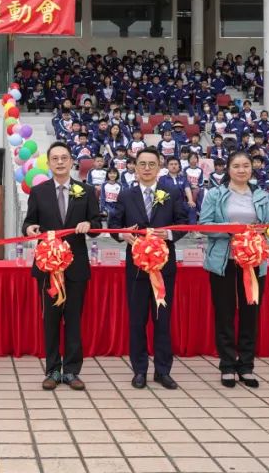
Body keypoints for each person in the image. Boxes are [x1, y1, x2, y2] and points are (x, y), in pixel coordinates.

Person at [22, 142, 101, 391]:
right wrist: (29, 229)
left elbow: (97, 224)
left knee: (74, 320)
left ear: (71, 162)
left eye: (64, 158)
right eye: (54, 158)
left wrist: (90, 225)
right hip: (48, 267)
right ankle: (53, 370)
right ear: (48, 162)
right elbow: (29, 223)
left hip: (76, 267)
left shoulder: (86, 190)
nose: (59, 162)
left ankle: (72, 371)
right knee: (52, 320)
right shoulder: (39, 191)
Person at [109, 147, 189, 390]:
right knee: (137, 321)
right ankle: (140, 370)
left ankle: (162, 371)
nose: (146, 168)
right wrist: (123, 235)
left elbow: (183, 222)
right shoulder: (125, 195)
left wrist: (170, 234)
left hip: (164, 269)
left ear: (159, 167)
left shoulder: (172, 192)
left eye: (151, 164)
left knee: (162, 321)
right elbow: (114, 225)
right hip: (136, 269)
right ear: (134, 166)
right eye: (141, 164)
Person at [199, 150, 269, 389]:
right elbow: (204, 226)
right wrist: (231, 228)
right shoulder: (215, 194)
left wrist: (263, 230)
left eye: (246, 166)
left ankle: (246, 365)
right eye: (236, 166)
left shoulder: (262, 195)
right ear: (228, 169)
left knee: (249, 314)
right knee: (225, 313)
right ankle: (227, 365)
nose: (241, 170)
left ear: (252, 169)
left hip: (253, 261)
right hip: (223, 261)